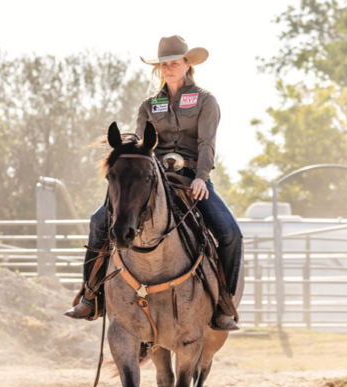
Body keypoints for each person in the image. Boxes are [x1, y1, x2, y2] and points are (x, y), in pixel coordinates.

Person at [65, 35, 243, 331]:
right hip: (152, 180)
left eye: (175, 63)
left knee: (231, 234)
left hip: (192, 177)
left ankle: (224, 303)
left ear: (187, 64)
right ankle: (91, 295)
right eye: (164, 64)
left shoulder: (205, 100)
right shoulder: (149, 104)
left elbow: (207, 143)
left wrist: (201, 178)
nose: (169, 68)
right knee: (99, 221)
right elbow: (138, 144)